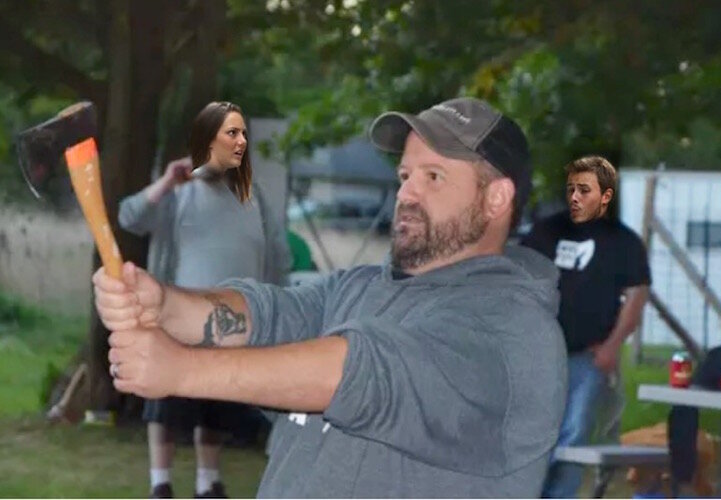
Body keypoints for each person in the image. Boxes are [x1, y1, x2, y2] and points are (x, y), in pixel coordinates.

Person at [95, 97, 567, 498]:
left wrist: (178, 368)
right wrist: (162, 304)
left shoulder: (514, 329)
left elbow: (362, 374)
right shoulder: (361, 286)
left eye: (433, 177)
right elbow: (270, 315)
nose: (407, 192)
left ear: (497, 199)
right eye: (405, 175)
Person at [117, 101, 291, 498]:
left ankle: (207, 483)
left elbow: (278, 255)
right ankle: (160, 483)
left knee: (215, 402)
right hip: (175, 314)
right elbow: (129, 217)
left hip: (232, 322)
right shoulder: (177, 193)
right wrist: (164, 183)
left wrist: (280, 303)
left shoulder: (253, 196)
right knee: (165, 403)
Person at [521, 155, 651, 498]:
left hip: (586, 358)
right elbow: (517, 284)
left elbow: (638, 294)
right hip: (538, 356)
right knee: (531, 433)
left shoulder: (623, 242)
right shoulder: (546, 232)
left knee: (574, 436)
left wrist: (612, 345)